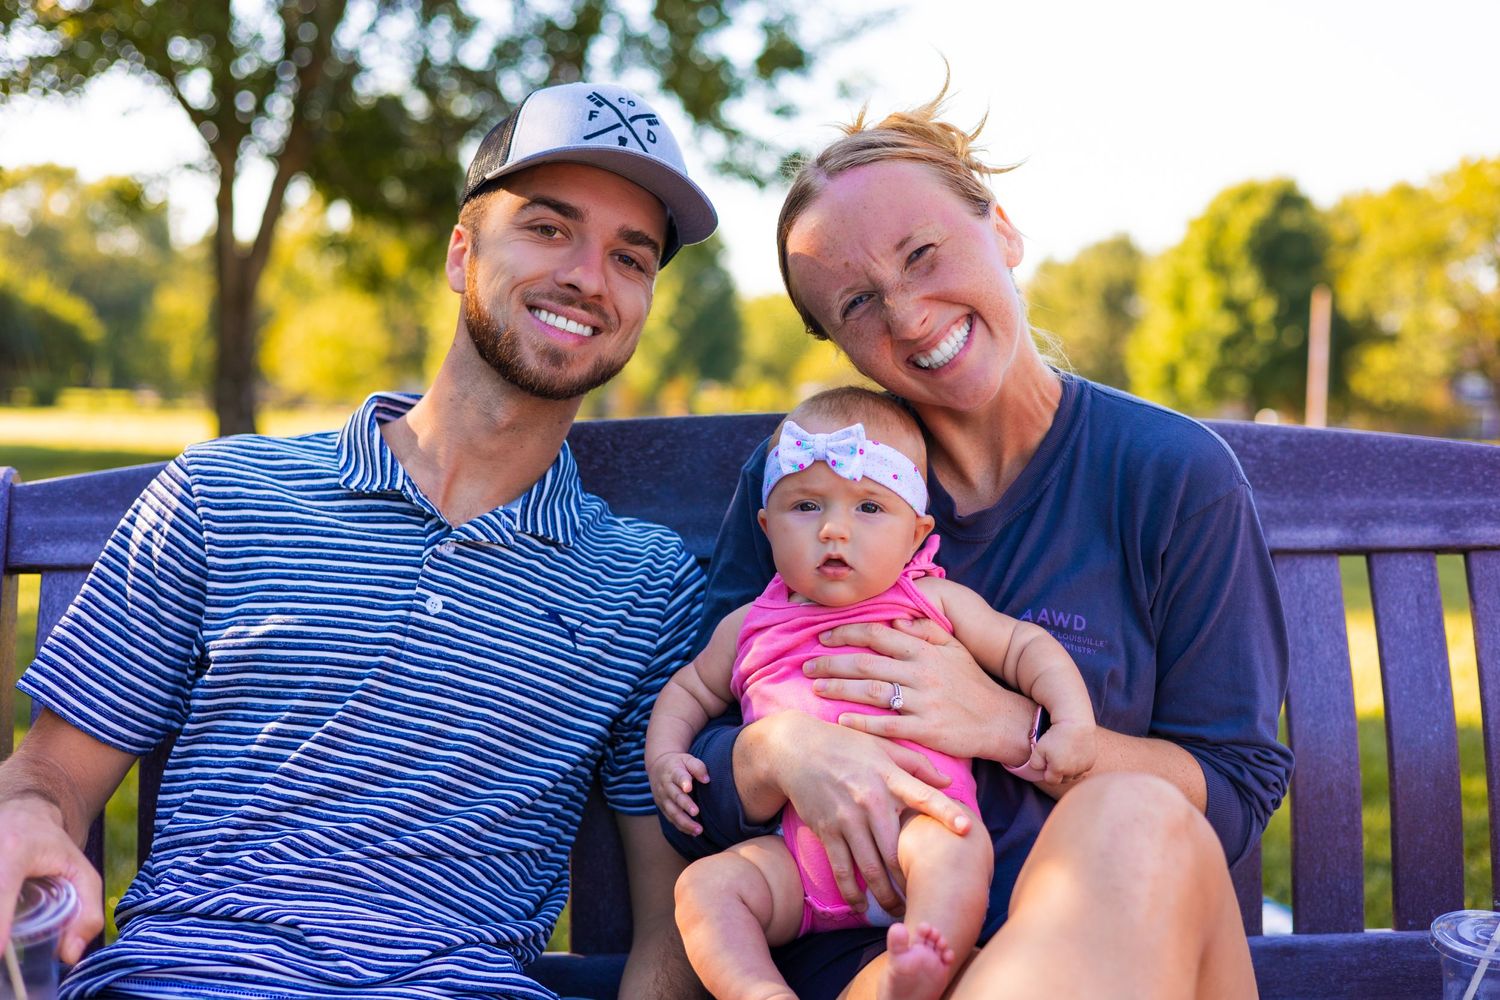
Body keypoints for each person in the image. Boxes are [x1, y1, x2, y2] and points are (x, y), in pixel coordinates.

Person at [0, 81, 718, 1000]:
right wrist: (25, 818)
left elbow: (671, 920)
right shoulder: (223, 492)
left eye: (632, 256)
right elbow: (51, 772)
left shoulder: (644, 583)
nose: (589, 275)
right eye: (548, 228)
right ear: (463, 253)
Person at [666, 86, 1294, 999]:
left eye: (924, 254)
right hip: (870, 969)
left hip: (1121, 932)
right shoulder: (808, 487)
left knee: (1131, 813)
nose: (911, 316)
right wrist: (781, 752)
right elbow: (697, 796)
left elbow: (1230, 793)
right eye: (857, 304)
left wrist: (1007, 725)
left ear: (1001, 228)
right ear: (839, 343)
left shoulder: (1169, 475)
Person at [646, 387, 1096, 1000]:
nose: (834, 529)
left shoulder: (929, 600)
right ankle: (758, 990)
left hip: (918, 827)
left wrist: (1069, 721)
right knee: (703, 889)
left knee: (958, 848)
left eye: (868, 508)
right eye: (805, 507)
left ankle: (928, 957)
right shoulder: (748, 624)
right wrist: (667, 757)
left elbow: (1027, 648)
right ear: (766, 527)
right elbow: (687, 690)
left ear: (917, 534)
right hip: (798, 859)